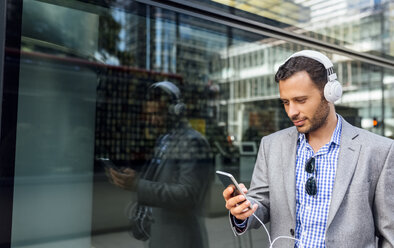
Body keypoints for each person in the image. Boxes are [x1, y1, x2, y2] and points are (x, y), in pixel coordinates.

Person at [222, 50, 394, 248]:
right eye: (286, 102)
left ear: (329, 93)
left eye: (301, 100)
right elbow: (262, 203)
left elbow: (390, 234)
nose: (292, 112)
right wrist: (243, 211)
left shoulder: (380, 150)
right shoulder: (271, 145)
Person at [108, 81, 213, 248]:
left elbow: (188, 195)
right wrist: (136, 179)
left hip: (179, 240)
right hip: (159, 237)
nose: (152, 120)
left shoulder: (192, 142)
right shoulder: (164, 140)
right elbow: (162, 182)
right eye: (149, 114)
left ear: (176, 111)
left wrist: (138, 184)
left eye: (158, 114)